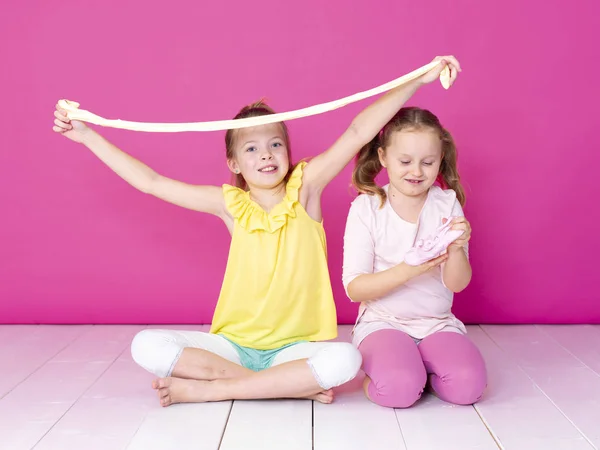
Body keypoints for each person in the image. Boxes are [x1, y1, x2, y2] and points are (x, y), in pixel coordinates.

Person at [52, 55, 460, 406]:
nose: (265, 155)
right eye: (251, 149)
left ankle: (214, 390)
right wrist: (87, 136)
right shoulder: (231, 205)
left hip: (297, 348)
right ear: (234, 163)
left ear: (288, 151)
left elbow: (357, 131)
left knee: (345, 362)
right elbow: (151, 182)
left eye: (275, 145)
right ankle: (280, 388)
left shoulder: (306, 188)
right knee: (147, 345)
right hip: (233, 346)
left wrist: (416, 81)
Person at [342, 105, 487, 408]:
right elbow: (355, 288)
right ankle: (397, 373)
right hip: (384, 322)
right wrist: (409, 268)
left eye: (428, 162)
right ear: (383, 157)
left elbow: (457, 284)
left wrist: (457, 248)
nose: (417, 171)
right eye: (405, 161)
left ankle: (419, 372)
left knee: (468, 388)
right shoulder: (366, 208)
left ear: (440, 159)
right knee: (397, 389)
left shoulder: (445, 204)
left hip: (436, 323)